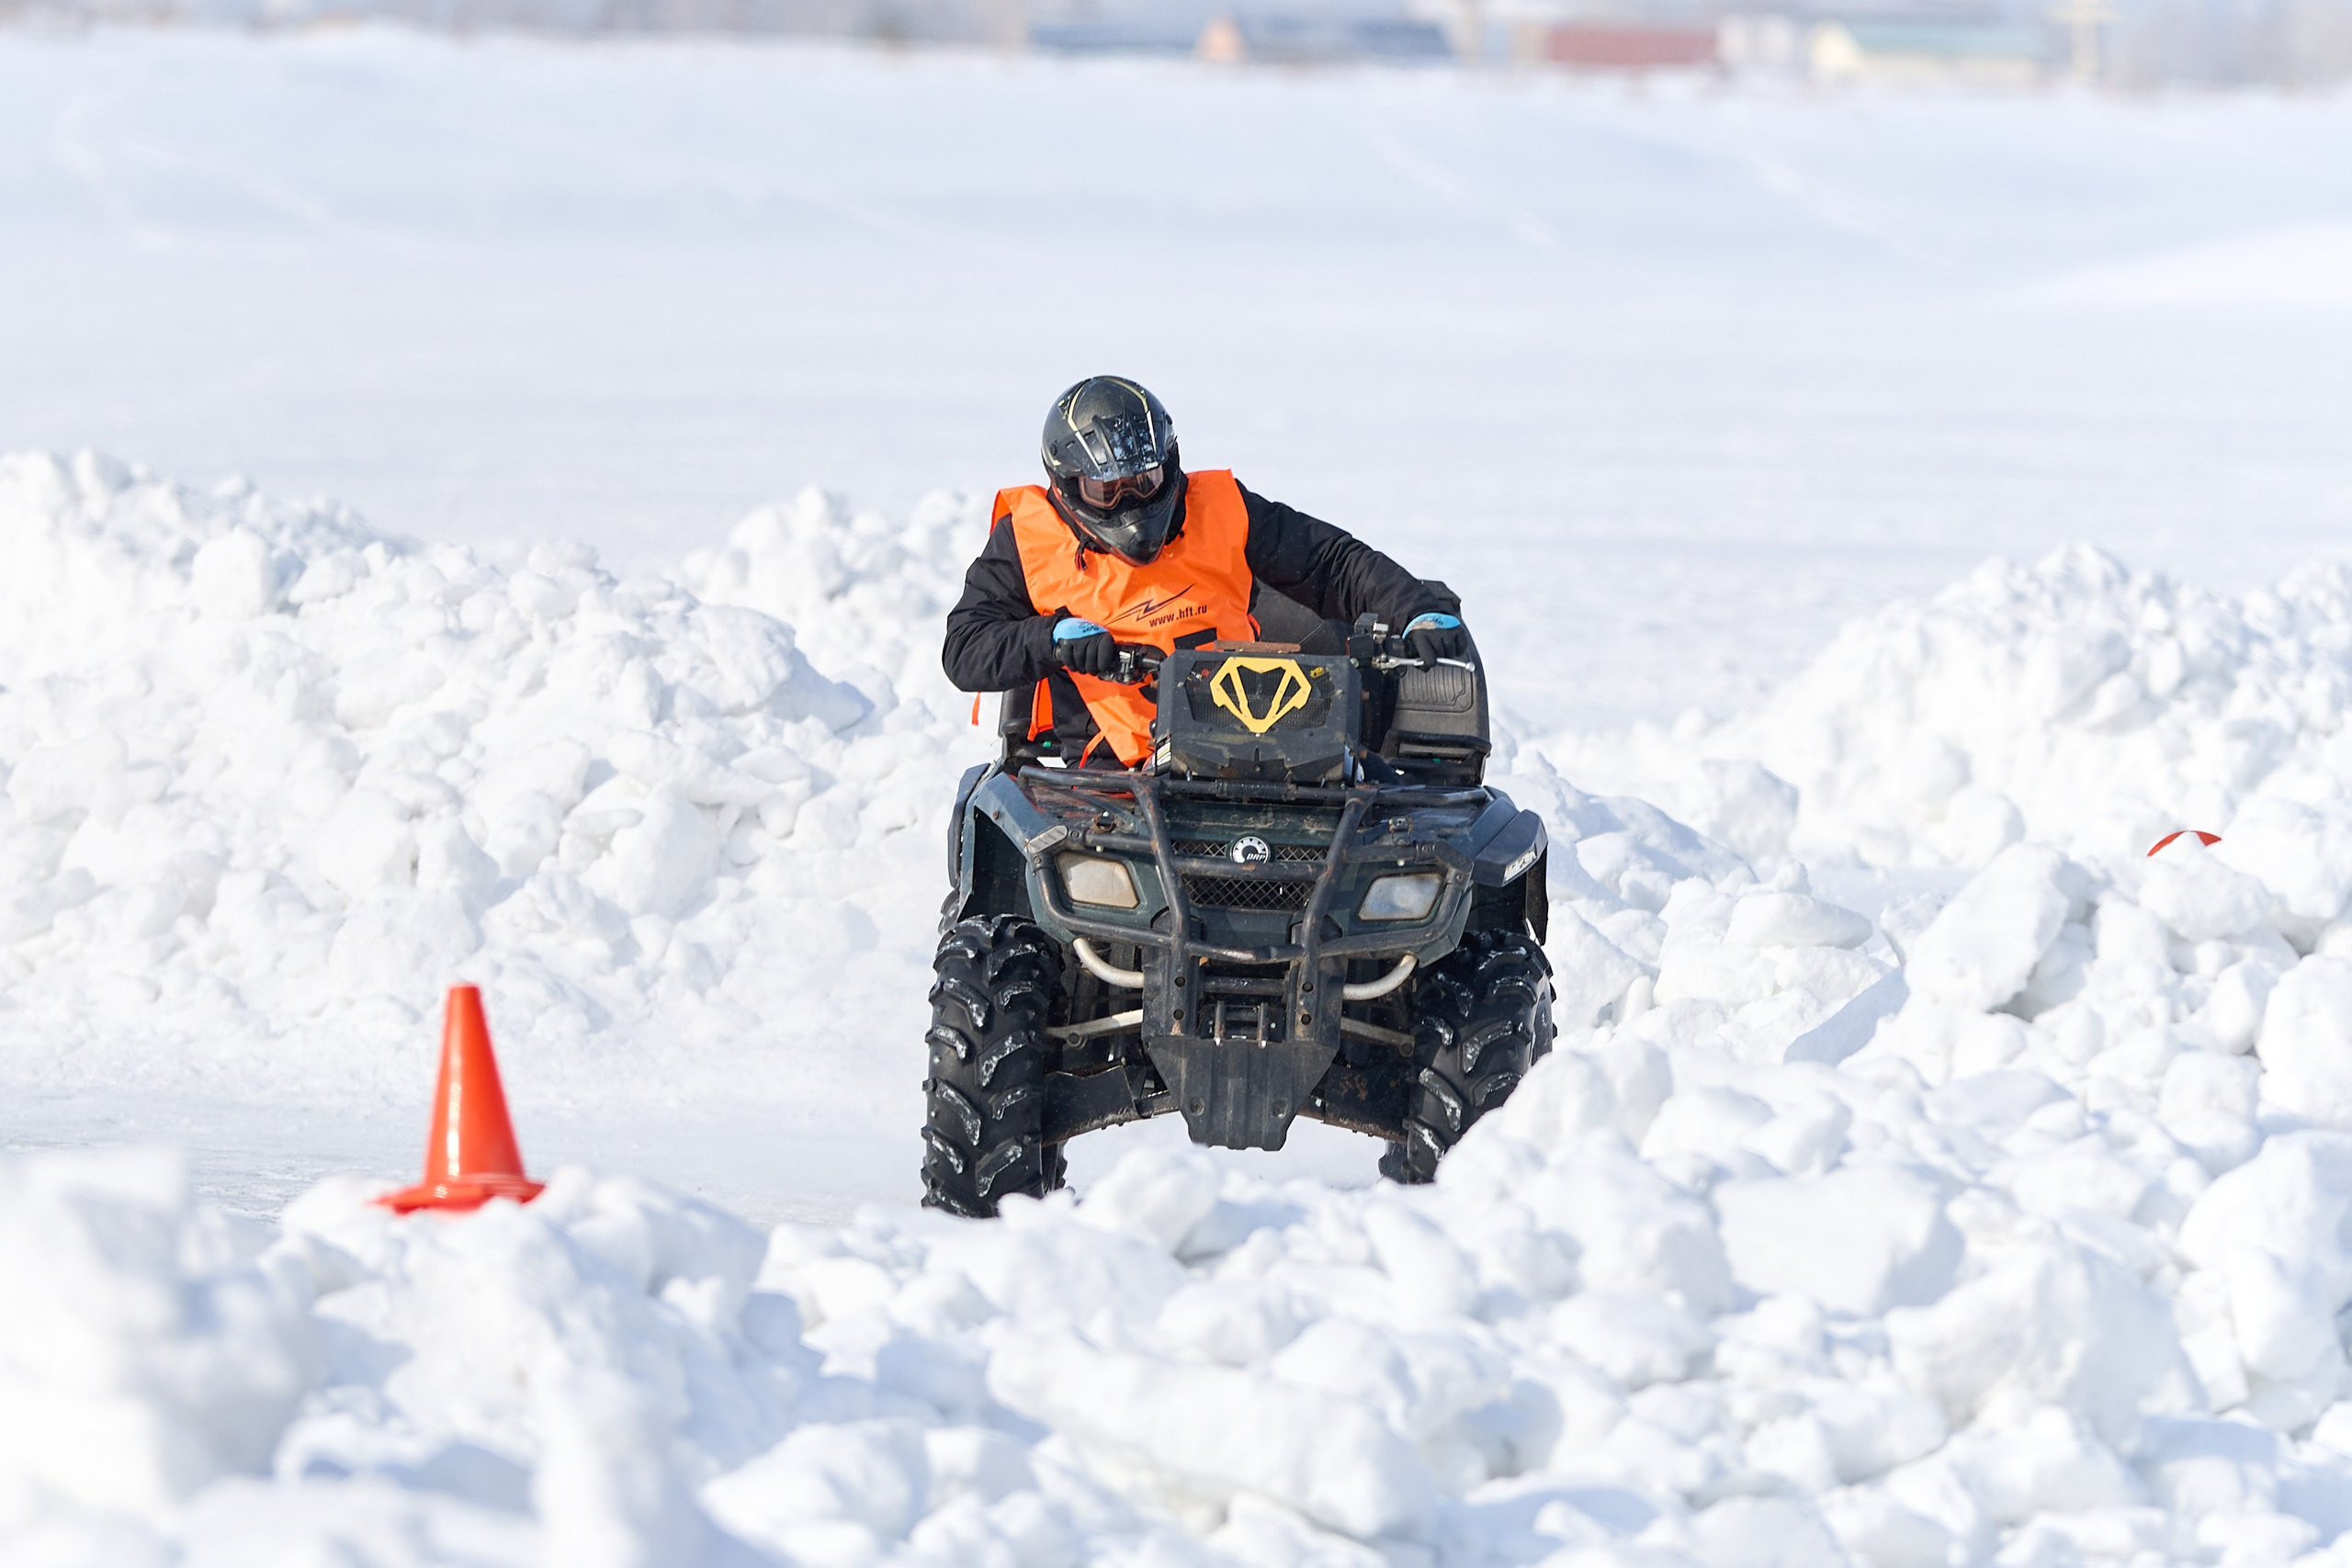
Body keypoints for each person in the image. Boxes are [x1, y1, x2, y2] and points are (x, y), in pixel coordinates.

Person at [942, 376, 1473, 768]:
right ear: (1066, 485)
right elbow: (964, 651)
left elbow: (1332, 561)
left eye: (1144, 480)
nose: (1130, 502)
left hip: (1263, 739)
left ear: (1169, 464)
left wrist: (1417, 609)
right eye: (1106, 490)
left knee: (1402, 815)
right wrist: (1050, 638)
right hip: (1116, 773)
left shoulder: (1221, 507)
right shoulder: (1026, 541)